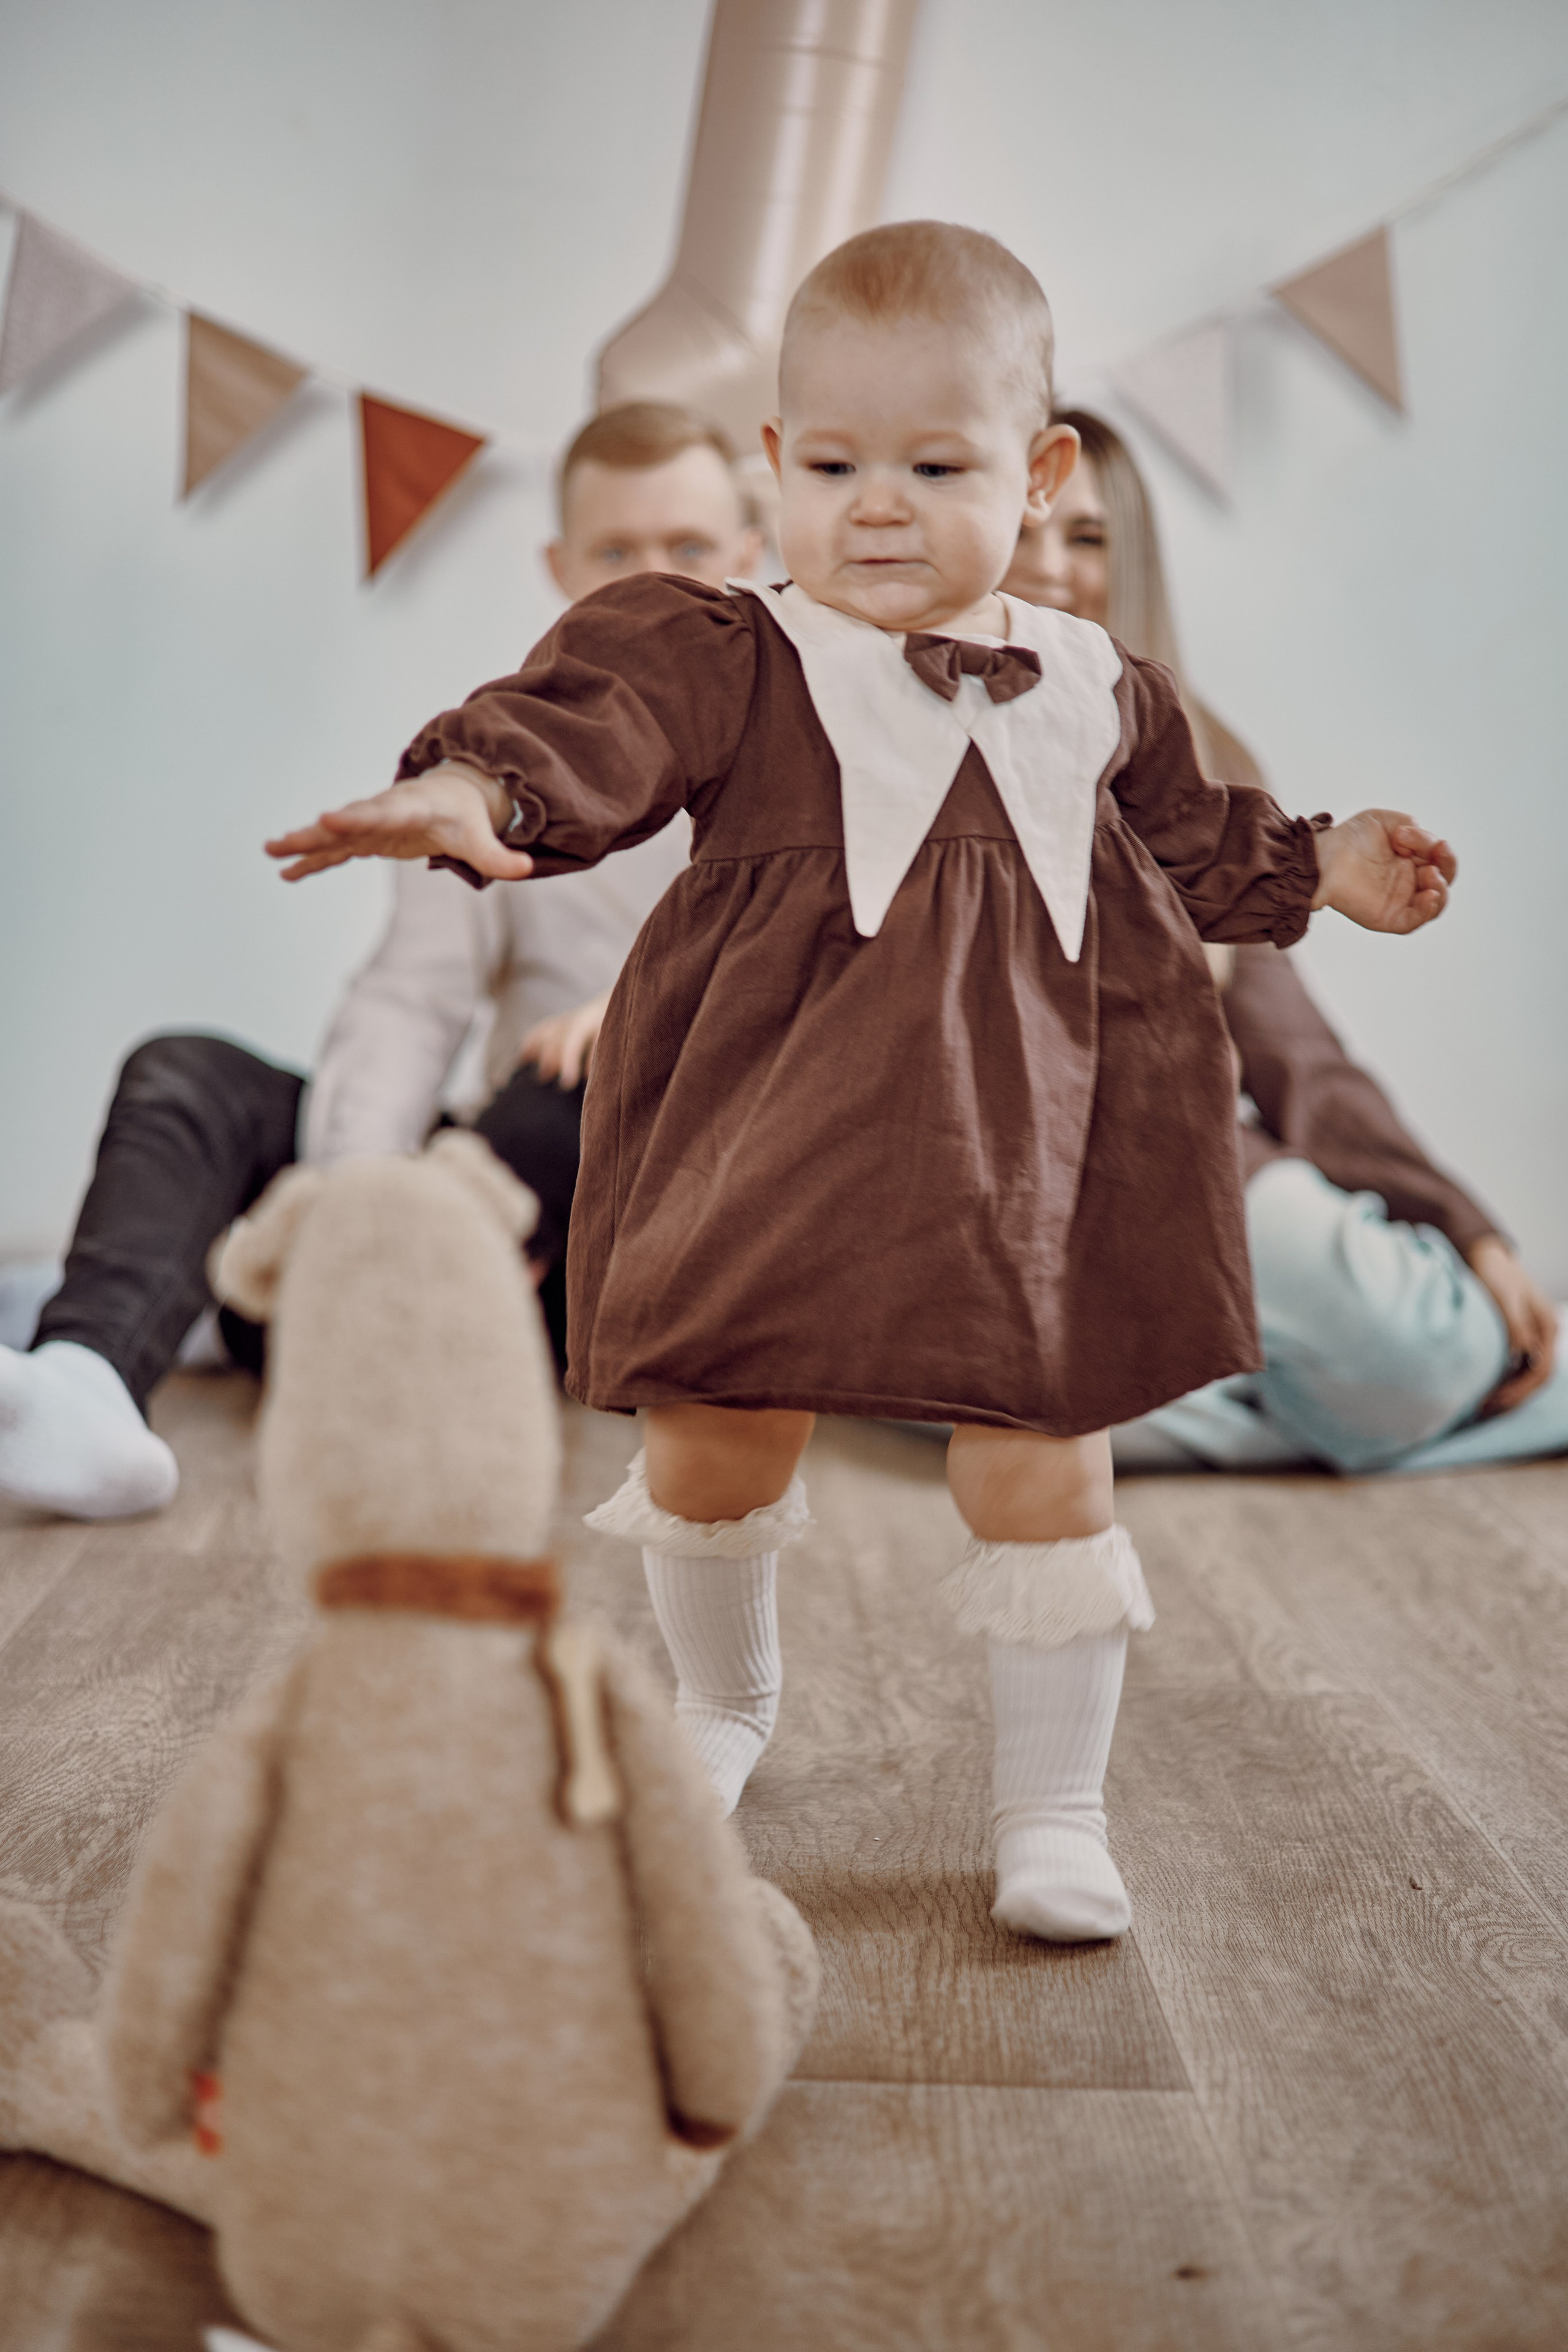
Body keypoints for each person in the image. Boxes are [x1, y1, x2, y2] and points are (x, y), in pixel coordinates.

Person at [266, 221, 1455, 1947]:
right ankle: (720, 1705)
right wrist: (477, 793)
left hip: (1026, 1149)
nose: (877, 505)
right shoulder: (734, 651)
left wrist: (1331, 860)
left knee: (1045, 1460)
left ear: (1039, 474)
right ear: (773, 469)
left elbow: (1209, 852)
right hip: (773, 1131)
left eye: (934, 463)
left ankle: (1053, 1808)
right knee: (714, 1436)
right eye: (832, 463)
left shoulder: (1102, 690)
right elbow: (586, 719)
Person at [0, 401, 762, 1523]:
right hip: (493, 1198)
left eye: (689, 550)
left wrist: (642, 1011)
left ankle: (250, 1309)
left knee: (592, 1077)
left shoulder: (811, 756)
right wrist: (355, 1208)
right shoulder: (503, 760)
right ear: (559, 569)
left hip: (662, 1222)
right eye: (616, 553)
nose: (653, 582)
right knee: (189, 1074)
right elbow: (410, 1006)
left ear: (751, 552)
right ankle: (92, 1374)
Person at [1004, 409, 1564, 1476]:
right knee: (940, 1388)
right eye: (1027, 526)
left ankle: (1252, 1395)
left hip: (1184, 1171)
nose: (1048, 565)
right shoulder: (910, 727)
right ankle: (1272, 1406)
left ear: (1128, 561)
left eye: (1086, 537)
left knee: (1413, 1362)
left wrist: (1467, 1226)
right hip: (1000, 1186)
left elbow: (1289, 1044)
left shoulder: (1199, 760)